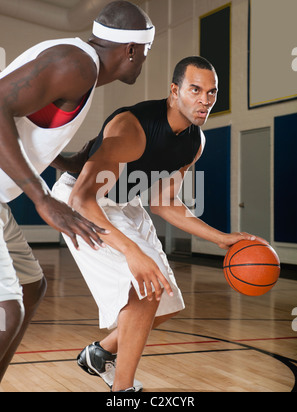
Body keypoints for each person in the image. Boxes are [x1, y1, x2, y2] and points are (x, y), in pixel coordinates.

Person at [52, 56, 256, 392]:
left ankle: (99, 354)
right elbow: (82, 199)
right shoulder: (132, 126)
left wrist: (220, 238)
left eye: (211, 92)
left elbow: (164, 202)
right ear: (175, 91)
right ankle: (123, 391)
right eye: (195, 90)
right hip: (80, 204)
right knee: (144, 291)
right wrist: (132, 251)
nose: (205, 100)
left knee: (165, 300)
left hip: (124, 204)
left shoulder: (194, 142)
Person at [0, 0, 156, 382]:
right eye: (146, 53)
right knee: (8, 308)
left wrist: (68, 162)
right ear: (131, 50)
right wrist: (42, 198)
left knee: (30, 288)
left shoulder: (79, 67)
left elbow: (24, 124)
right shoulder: (76, 64)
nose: (144, 61)